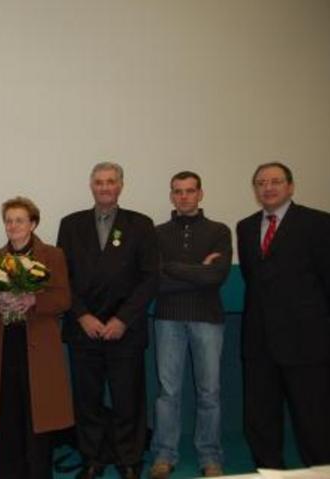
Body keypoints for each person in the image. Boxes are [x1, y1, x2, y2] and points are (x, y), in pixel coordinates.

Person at [56, 162, 158, 479]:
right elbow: (63, 277)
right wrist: (82, 315)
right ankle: (92, 458)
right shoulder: (71, 224)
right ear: (91, 186)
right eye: (99, 182)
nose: (104, 187)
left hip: (124, 329)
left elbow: (150, 278)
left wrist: (123, 320)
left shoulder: (141, 224)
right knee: (87, 400)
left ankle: (129, 459)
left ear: (120, 186)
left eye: (110, 182)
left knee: (128, 398)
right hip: (83, 327)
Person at [237, 161, 330, 468]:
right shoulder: (246, 227)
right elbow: (255, 279)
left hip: (306, 342)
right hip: (259, 341)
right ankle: (269, 471)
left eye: (275, 181)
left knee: (313, 418)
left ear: (290, 186)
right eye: (261, 183)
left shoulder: (319, 223)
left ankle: (320, 471)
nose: (268, 187)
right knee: (261, 419)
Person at [0, 197, 74, 479]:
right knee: (6, 418)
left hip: (39, 349)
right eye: (8, 220)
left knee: (39, 418)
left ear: (33, 223)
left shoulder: (52, 255)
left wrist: (34, 300)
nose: (13, 225)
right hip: (5, 346)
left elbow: (64, 298)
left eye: (20, 220)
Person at [149, 172, 231, 479]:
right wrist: (197, 272)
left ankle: (210, 457)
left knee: (209, 391)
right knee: (168, 392)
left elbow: (217, 277)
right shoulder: (155, 234)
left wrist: (172, 269)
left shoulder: (220, 231)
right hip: (168, 318)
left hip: (208, 319)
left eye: (190, 191)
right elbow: (155, 282)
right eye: (178, 191)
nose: (184, 196)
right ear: (171, 196)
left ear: (200, 194)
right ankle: (164, 455)